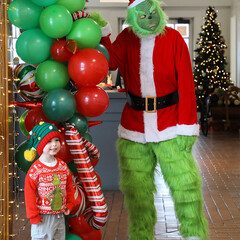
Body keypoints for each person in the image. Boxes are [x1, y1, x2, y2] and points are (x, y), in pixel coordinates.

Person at [89, 0, 209, 239]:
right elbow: (110, 62)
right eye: (143, 15)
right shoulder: (126, 38)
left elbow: (186, 83)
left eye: (153, 13)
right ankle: (141, 235)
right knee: (137, 192)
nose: (150, 18)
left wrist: (187, 126)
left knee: (186, 187)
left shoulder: (174, 39)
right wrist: (103, 34)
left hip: (172, 124)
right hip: (134, 127)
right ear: (133, 17)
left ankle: (194, 234)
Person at [24, 122, 76, 240]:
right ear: (40, 145)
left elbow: (69, 186)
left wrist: (70, 203)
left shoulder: (62, 166)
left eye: (57, 140)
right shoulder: (35, 170)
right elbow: (29, 193)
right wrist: (33, 216)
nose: (54, 144)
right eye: (49, 141)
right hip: (42, 217)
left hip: (60, 215)